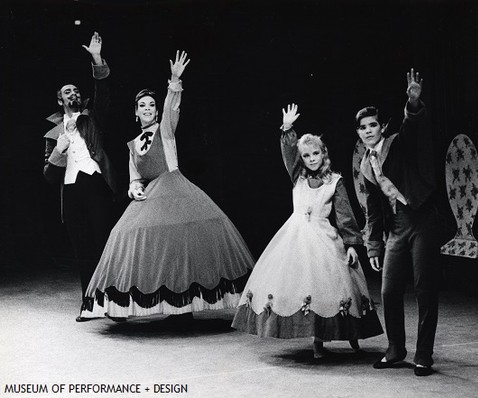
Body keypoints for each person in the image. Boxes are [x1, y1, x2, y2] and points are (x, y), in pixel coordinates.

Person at [81, 51, 254, 320]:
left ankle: (182, 308)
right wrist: (135, 188)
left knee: (181, 248)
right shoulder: (132, 145)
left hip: (176, 191)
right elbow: (134, 177)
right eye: (143, 106)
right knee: (125, 235)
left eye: (151, 105)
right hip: (152, 196)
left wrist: (174, 81)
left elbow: (172, 108)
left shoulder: (165, 130)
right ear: (135, 112)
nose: (148, 108)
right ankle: (125, 305)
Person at [231, 104, 383, 359]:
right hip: (296, 236)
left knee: (335, 287)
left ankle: (352, 334)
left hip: (324, 236)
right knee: (303, 286)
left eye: (316, 154)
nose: (312, 159)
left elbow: (345, 216)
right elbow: (289, 152)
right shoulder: (297, 176)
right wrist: (288, 129)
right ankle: (317, 340)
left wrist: (353, 245)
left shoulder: (335, 180)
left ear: (324, 154)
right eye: (307, 156)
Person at [356, 68, 439, 376]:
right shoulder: (366, 165)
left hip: (422, 219)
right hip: (397, 228)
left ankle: (424, 355)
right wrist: (374, 246)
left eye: (373, 125)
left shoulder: (397, 144)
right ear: (359, 133)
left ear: (382, 127)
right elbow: (373, 209)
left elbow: (412, 127)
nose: (368, 131)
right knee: (389, 291)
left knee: (424, 288)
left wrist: (413, 103)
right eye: (363, 127)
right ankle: (395, 350)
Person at [43, 32, 117, 322]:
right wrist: (58, 152)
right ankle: (90, 304)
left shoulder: (93, 116)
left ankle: (113, 303)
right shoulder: (52, 134)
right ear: (59, 100)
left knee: (103, 244)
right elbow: (48, 176)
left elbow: (104, 94)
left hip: (95, 184)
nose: (72, 94)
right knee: (82, 249)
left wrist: (97, 60)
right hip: (71, 191)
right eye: (67, 92)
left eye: (75, 90)